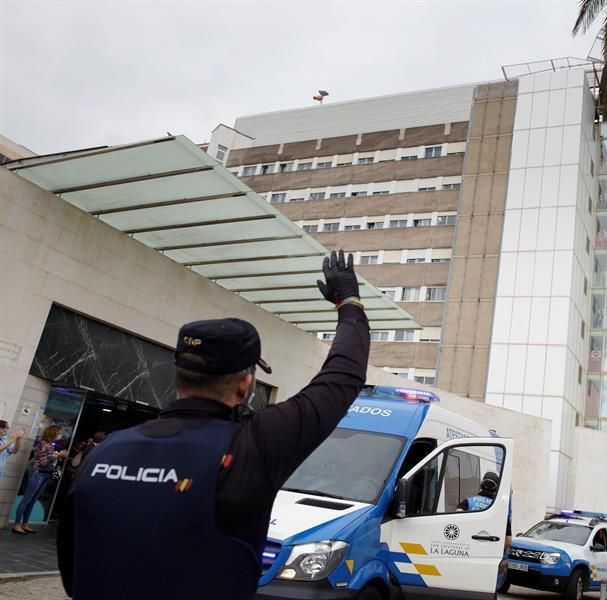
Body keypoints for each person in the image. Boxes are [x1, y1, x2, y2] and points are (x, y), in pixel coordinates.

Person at [57, 250, 369, 600]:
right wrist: (349, 304)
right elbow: (340, 378)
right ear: (245, 384)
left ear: (178, 374)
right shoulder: (253, 444)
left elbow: (72, 571)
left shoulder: (103, 452)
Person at [13, 424, 67, 534]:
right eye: (59, 433)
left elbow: (47, 459)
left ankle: (25, 523)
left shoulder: (50, 445)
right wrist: (58, 455)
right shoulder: (43, 444)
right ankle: (17, 524)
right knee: (27, 499)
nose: (60, 435)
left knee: (33, 500)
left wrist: (56, 455)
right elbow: (43, 462)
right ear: (53, 433)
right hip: (37, 474)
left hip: (45, 474)